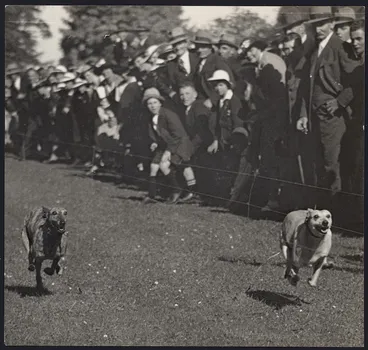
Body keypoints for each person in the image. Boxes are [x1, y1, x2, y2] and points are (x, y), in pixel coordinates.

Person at [296, 6, 358, 205]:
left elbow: (357, 79)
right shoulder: (315, 49)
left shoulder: (340, 46)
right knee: (319, 163)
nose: (318, 29)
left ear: (332, 23)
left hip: (333, 118)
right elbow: (308, 86)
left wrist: (340, 102)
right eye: (315, 25)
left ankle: (336, 212)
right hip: (315, 117)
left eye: (322, 24)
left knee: (332, 164)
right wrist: (304, 114)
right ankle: (323, 209)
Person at [245, 39, 288, 212]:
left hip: (275, 118)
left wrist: (261, 115)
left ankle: (274, 200)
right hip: (270, 116)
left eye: (251, 50)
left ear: (259, 48)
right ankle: (271, 199)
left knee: (272, 157)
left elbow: (276, 97)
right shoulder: (263, 63)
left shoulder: (269, 63)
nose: (248, 54)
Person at [142, 88, 196, 205]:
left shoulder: (168, 114)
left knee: (167, 164)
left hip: (180, 143)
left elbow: (178, 134)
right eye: (149, 103)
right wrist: (155, 142)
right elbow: (159, 134)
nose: (152, 106)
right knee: (154, 166)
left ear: (160, 103)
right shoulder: (151, 117)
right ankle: (152, 195)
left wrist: (168, 152)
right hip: (168, 144)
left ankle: (180, 191)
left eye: (155, 102)